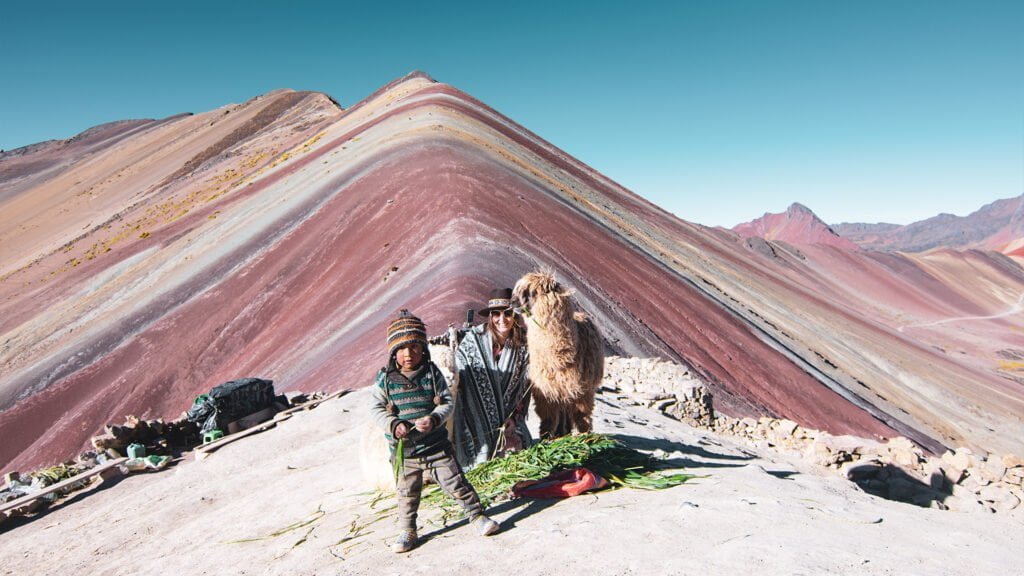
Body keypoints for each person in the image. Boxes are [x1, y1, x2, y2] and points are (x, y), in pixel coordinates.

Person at [370, 309, 500, 554]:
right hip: (404, 452)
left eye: (415, 347)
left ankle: (477, 516)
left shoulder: (431, 374)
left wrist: (434, 418)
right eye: (402, 349)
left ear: (423, 348)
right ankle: (408, 531)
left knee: (456, 482)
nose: (409, 354)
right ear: (393, 352)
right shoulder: (385, 380)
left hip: (436, 447)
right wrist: (393, 424)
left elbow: (447, 403)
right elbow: (376, 408)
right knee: (407, 494)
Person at [438, 288, 533, 469]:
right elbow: (462, 379)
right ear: (490, 316)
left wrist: (513, 418)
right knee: (479, 456)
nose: (502, 319)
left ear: (515, 315)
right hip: (474, 415)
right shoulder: (474, 340)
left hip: (508, 416)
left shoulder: (523, 347)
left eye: (507, 313)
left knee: (520, 452)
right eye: (496, 314)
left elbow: (522, 389)